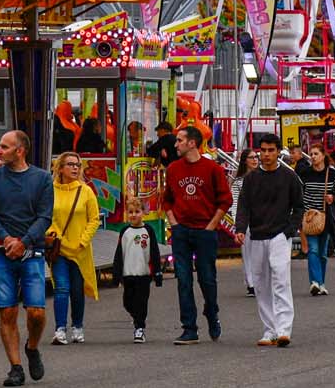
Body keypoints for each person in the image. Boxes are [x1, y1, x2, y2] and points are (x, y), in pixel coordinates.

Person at [0, 129, 54, 386]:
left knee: (36, 312)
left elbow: (45, 216)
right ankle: (15, 367)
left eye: (4, 147)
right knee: (7, 311)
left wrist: (24, 242)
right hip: (2, 253)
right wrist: (6, 239)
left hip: (32, 252)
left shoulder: (42, 178)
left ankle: (32, 347)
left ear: (19, 151)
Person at [162, 124, 232, 344]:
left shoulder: (212, 169)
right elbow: (167, 199)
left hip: (205, 231)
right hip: (181, 231)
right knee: (183, 279)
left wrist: (211, 225)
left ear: (192, 143)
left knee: (207, 279)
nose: (176, 144)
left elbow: (225, 200)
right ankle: (189, 327)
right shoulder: (173, 168)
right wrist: (174, 224)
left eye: (180, 140)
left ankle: (212, 314)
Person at [233, 132, 304, 347]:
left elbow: (299, 206)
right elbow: (243, 206)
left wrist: (290, 229)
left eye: (270, 150)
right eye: (262, 151)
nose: (266, 155)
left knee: (281, 280)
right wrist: (240, 228)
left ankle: (283, 330)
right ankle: (269, 330)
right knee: (261, 284)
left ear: (278, 152)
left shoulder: (289, 176)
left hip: (280, 235)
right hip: (256, 235)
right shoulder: (251, 179)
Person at [48, 152, 100, 345]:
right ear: (60, 168)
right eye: (70, 164)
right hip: (59, 249)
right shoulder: (50, 191)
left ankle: (77, 326)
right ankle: (60, 329)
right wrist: (53, 234)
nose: (75, 168)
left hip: (79, 251)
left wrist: (83, 241)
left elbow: (94, 219)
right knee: (61, 287)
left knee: (77, 291)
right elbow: (45, 216)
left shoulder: (85, 191)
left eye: (77, 165)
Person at [298, 144, 335, 295]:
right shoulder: (305, 174)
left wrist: (332, 197)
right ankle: (315, 282)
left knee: (322, 252)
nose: (313, 156)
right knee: (312, 249)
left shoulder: (332, 174)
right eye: (311, 154)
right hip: (309, 217)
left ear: (323, 156)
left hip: (326, 218)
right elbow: (299, 194)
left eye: (316, 154)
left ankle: (321, 283)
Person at [110, 196, 163, 342]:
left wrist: (157, 272)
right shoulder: (125, 232)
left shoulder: (148, 231)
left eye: (137, 211)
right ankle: (137, 318)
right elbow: (119, 254)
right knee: (127, 302)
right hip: (128, 274)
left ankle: (139, 328)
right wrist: (116, 275)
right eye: (131, 212)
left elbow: (154, 253)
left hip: (143, 274)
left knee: (141, 301)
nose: (133, 215)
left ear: (143, 213)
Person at [231, 147, 261, 294]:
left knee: (262, 252)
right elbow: (235, 202)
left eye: (256, 157)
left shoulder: (264, 177)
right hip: (246, 221)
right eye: (251, 157)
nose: (255, 160)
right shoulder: (238, 181)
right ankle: (251, 282)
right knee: (248, 252)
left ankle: (260, 280)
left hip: (263, 219)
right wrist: (238, 223)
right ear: (245, 161)